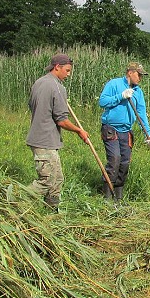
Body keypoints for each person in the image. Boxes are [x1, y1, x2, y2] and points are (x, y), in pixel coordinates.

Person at [25, 53, 89, 211]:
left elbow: (32, 106)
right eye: (67, 70)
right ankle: (16, 199)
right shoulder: (57, 87)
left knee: (57, 179)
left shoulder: (38, 83)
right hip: (44, 140)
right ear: (57, 67)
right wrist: (79, 131)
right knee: (47, 180)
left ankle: (52, 212)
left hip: (40, 138)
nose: (68, 74)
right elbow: (61, 120)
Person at [98, 61, 150, 202]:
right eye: (139, 75)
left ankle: (118, 196)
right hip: (111, 129)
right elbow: (102, 102)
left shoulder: (138, 92)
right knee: (114, 159)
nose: (140, 78)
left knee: (124, 162)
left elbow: (141, 114)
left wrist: (148, 134)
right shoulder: (114, 84)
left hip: (126, 131)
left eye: (142, 76)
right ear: (130, 72)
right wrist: (121, 96)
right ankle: (107, 196)